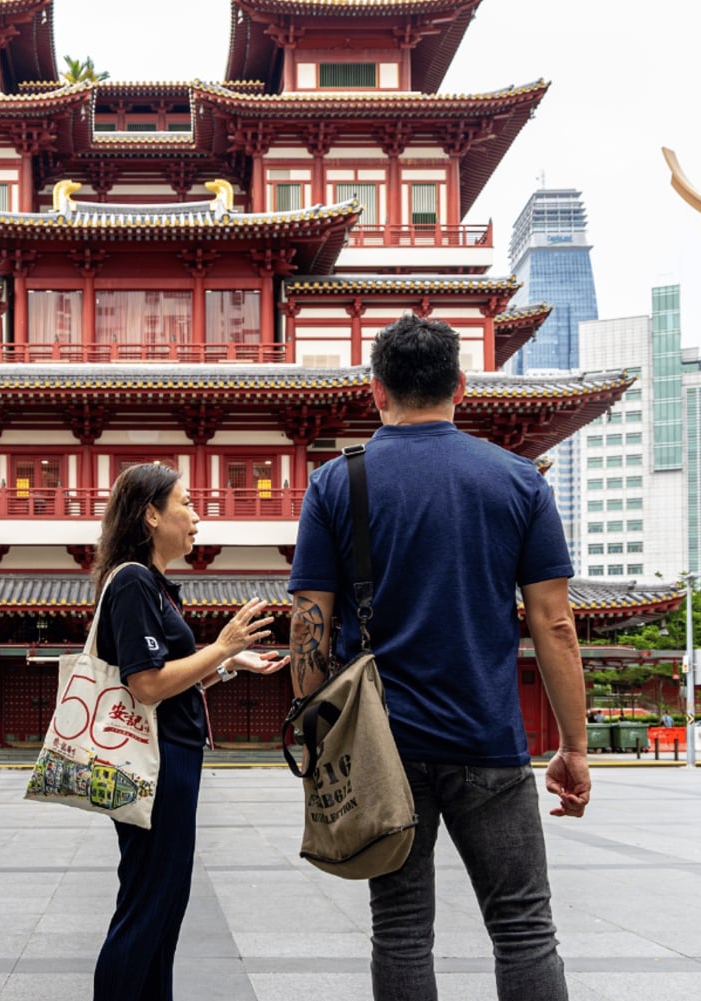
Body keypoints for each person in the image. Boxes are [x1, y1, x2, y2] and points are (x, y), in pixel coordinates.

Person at [288, 314, 591, 1001]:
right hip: (488, 738)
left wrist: (316, 739)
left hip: (379, 746)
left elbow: (309, 620)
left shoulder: (337, 484)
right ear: (460, 385)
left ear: (375, 391)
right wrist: (574, 745)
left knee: (398, 929)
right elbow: (555, 622)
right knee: (522, 926)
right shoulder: (516, 480)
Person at [90, 462, 287, 1001]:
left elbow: (168, 684)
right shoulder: (133, 581)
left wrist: (228, 665)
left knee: (164, 903)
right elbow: (148, 685)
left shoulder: (153, 584)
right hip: (155, 763)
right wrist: (221, 646)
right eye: (187, 503)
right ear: (151, 515)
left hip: (170, 757)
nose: (197, 517)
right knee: (147, 905)